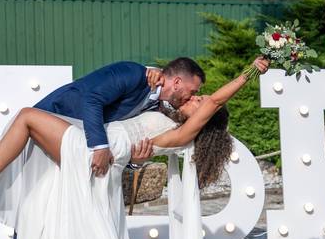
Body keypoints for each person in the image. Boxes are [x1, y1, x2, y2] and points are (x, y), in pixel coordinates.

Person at [0, 56, 269, 239]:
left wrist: (251, 70)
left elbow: (214, 102)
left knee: (27, 116)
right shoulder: (165, 113)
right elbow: (141, 118)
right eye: (195, 94)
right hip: (105, 148)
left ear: (203, 119)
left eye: (198, 101)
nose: (196, 99)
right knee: (44, 182)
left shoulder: (186, 129)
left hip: (99, 149)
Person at [33, 57, 206, 178]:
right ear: (176, 82)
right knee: (32, 194)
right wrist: (100, 147)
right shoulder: (133, 73)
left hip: (77, 151)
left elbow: (123, 138)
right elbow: (92, 99)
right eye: (193, 92)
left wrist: (136, 162)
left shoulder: (155, 107)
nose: (192, 97)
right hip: (53, 120)